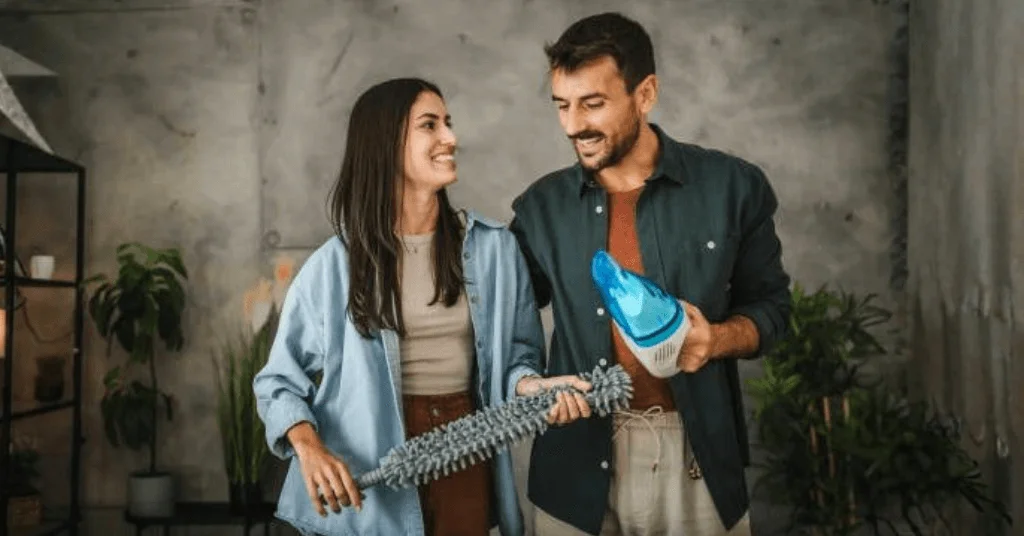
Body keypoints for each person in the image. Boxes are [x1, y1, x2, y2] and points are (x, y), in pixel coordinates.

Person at [253, 77, 589, 536]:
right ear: (385, 144)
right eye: (429, 125)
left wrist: (533, 388)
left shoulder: (494, 251)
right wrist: (309, 447)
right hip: (368, 471)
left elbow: (518, 360)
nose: (450, 138)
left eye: (447, 123)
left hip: (464, 451)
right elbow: (277, 383)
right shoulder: (333, 267)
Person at [506, 12, 792, 536]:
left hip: (696, 456)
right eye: (562, 106)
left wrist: (718, 339)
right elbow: (501, 327)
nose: (573, 125)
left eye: (593, 104)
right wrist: (527, 384)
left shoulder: (733, 188)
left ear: (645, 94)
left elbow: (772, 311)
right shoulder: (539, 209)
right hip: (575, 468)